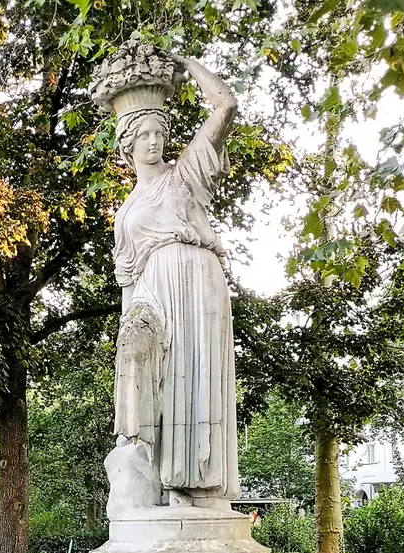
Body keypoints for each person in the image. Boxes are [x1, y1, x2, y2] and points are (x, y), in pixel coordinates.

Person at [112, 51, 239, 507]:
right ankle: (145, 468)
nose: (153, 141)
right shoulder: (125, 212)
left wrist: (189, 64)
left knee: (196, 378)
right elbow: (127, 279)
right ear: (127, 144)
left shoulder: (184, 175)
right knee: (140, 361)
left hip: (195, 280)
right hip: (152, 292)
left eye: (159, 132)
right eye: (143, 134)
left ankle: (193, 485)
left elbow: (225, 106)